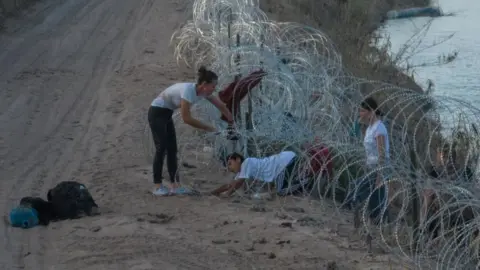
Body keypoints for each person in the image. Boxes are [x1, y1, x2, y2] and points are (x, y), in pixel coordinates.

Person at [149, 66, 233, 196]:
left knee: (172, 149)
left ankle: (174, 186)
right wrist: (209, 128)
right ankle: (157, 186)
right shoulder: (189, 91)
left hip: (166, 114)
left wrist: (231, 120)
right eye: (213, 86)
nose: (214, 89)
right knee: (162, 148)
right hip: (157, 113)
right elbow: (186, 119)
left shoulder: (204, 93)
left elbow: (220, 105)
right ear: (204, 84)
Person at [348, 97, 391, 225]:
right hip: (371, 167)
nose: (360, 114)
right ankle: (379, 226)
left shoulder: (379, 128)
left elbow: (382, 153)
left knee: (357, 189)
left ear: (371, 111)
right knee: (376, 202)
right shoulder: (369, 128)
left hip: (379, 169)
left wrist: (379, 175)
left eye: (362, 111)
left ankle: (377, 225)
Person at [210, 151, 308, 197]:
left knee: (281, 191)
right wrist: (214, 192)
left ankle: (305, 182)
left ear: (238, 160)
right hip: (284, 160)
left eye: (230, 164)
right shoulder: (243, 169)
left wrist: (227, 194)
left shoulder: (246, 163)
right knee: (284, 184)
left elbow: (238, 183)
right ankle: (302, 179)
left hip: (283, 163)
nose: (229, 168)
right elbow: (231, 185)